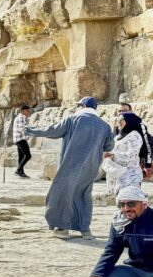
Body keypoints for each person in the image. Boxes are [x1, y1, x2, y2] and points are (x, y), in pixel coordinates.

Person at [25, 97, 115, 239]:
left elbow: (53, 131)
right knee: (84, 195)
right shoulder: (104, 125)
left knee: (62, 194)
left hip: (70, 165)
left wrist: (30, 130)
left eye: (79, 105)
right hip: (91, 167)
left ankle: (62, 229)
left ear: (83, 106)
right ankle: (85, 230)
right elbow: (109, 146)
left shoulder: (73, 119)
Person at [86, 186, 153, 277]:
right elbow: (112, 251)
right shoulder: (119, 223)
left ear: (143, 203)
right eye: (122, 204)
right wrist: (94, 276)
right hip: (138, 272)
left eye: (131, 203)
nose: (126, 208)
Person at [104, 113, 145, 197]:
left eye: (121, 120)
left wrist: (112, 155)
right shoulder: (119, 136)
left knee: (129, 204)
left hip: (130, 176)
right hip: (117, 175)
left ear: (129, 121)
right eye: (118, 120)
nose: (119, 122)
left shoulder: (134, 136)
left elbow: (132, 154)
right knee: (120, 204)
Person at [118, 102, 153, 173]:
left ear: (131, 111)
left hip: (137, 162)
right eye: (120, 111)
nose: (122, 113)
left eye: (124, 110)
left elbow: (147, 145)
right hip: (122, 161)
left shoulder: (139, 125)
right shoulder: (118, 126)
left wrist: (148, 164)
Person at [13, 104, 33, 178]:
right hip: (21, 139)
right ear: (23, 111)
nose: (29, 112)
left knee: (21, 157)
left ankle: (21, 172)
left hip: (17, 139)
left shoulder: (18, 117)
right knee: (28, 155)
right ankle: (18, 170)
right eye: (28, 111)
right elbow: (22, 129)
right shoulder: (21, 117)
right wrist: (27, 137)